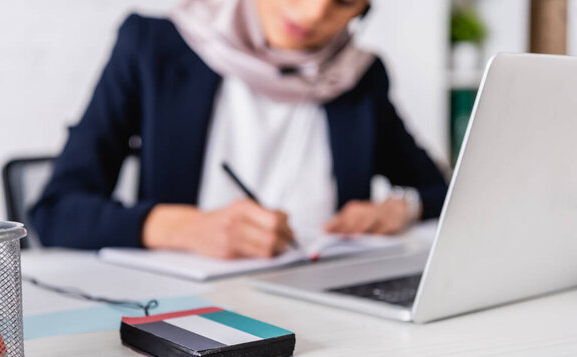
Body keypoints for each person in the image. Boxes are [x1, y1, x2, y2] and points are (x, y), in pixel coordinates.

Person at [30, 0, 448, 259]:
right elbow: (55, 211)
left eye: (342, 0)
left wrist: (400, 208)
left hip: (330, 312)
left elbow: (442, 191)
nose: (314, 11)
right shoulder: (152, 47)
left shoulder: (359, 77)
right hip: (185, 315)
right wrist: (184, 228)